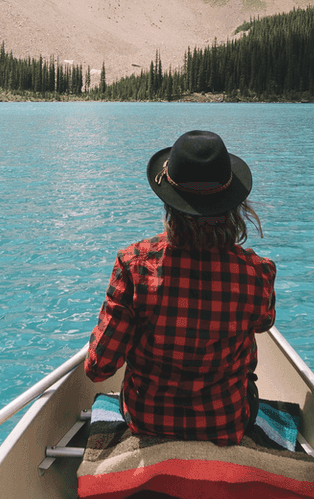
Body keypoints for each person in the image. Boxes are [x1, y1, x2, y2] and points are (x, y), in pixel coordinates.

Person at [83, 130, 276, 445]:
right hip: (226, 422)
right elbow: (264, 322)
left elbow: (98, 367)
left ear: (169, 203)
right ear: (231, 205)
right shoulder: (257, 272)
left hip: (146, 420)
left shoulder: (133, 265)